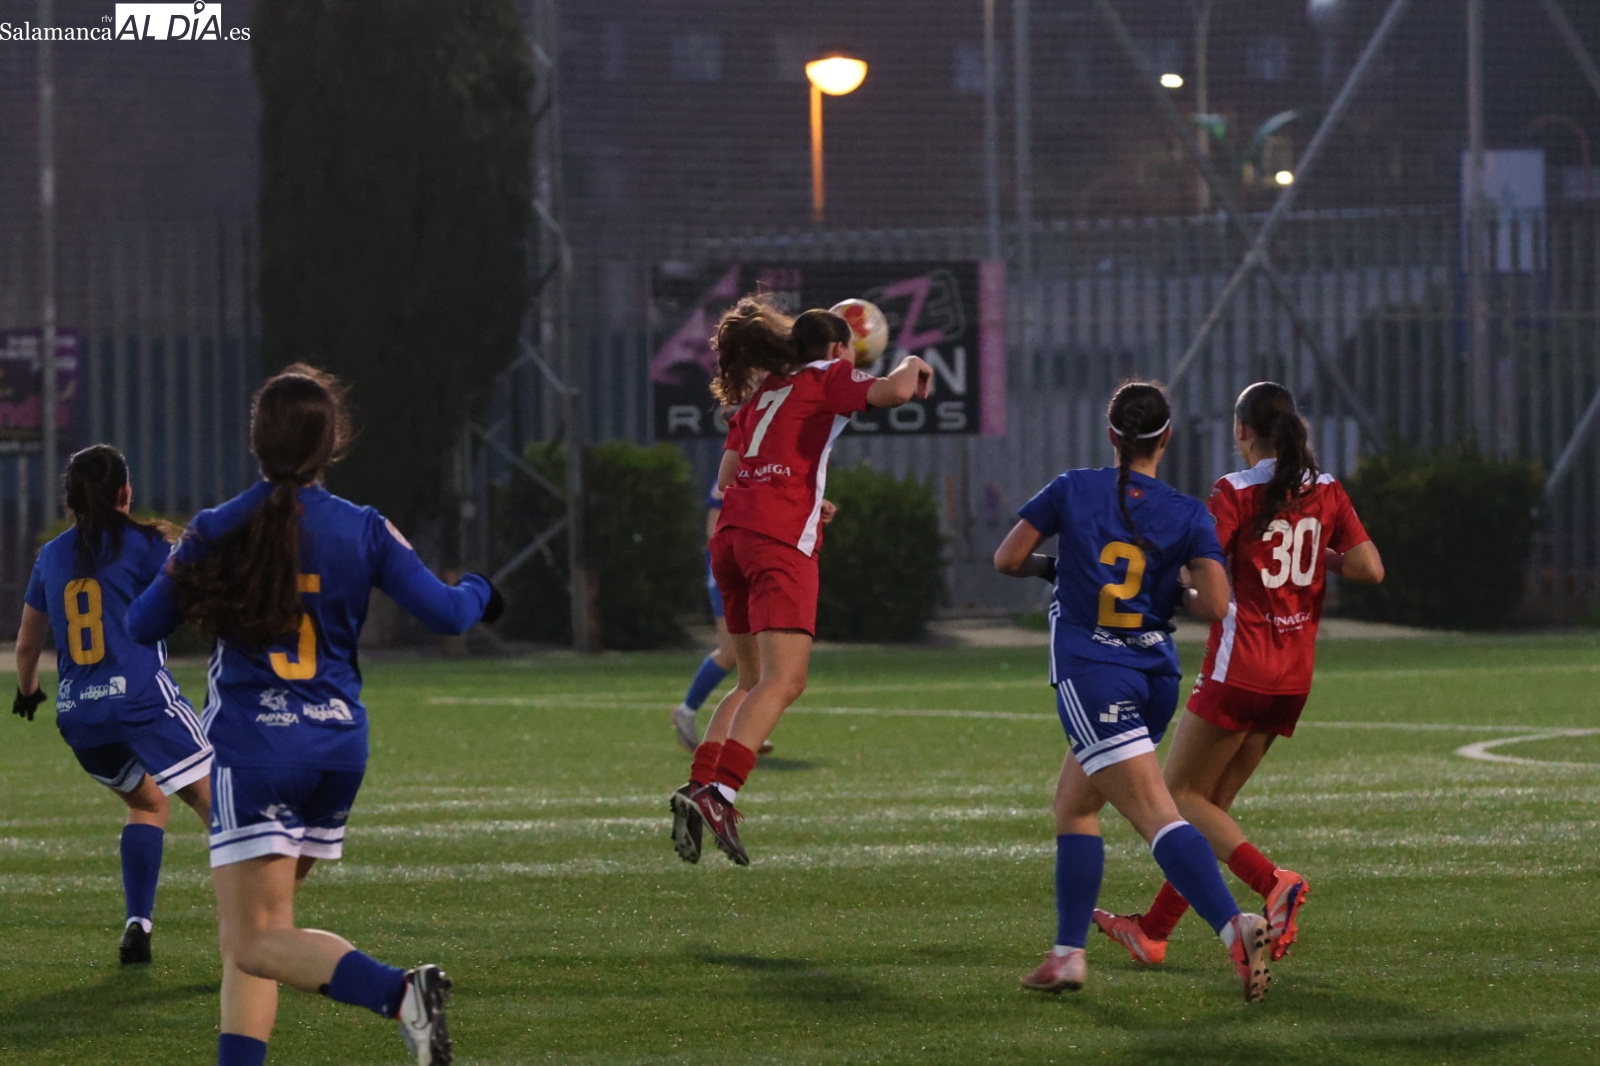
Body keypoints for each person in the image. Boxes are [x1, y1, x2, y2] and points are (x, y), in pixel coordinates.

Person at [126, 365, 502, 1066]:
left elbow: (143, 620)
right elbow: (449, 613)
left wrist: (189, 563)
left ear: (256, 440)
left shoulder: (218, 527)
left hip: (256, 750)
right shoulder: (362, 527)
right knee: (263, 932)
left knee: (252, 940)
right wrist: (482, 588)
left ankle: (400, 994)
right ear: (334, 441)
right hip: (335, 750)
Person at [993, 381, 1274, 1003]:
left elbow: (1008, 559)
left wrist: (1058, 569)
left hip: (1095, 673)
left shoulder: (1073, 487)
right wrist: (1172, 592)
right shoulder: (1186, 511)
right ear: (1166, 438)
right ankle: (1067, 955)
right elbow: (1218, 605)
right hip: (1154, 677)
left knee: (1155, 815)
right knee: (1075, 804)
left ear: (1112, 434)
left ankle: (1235, 924)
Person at [1093, 381, 1384, 967]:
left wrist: (1170, 584)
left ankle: (1273, 881)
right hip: (1293, 675)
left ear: (1242, 431)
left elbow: (1199, 569)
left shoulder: (1235, 491)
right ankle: (1152, 931)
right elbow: (1369, 568)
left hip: (1240, 666)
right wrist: (1316, 551)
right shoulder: (1325, 489)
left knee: (1178, 798)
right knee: (1213, 804)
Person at [670, 296, 931, 867]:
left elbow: (731, 474)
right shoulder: (825, 377)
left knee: (749, 679)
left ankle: (699, 785)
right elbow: (894, 391)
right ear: (839, 350)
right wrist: (914, 366)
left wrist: (809, 495)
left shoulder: (764, 392)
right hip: (777, 543)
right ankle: (722, 795)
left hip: (733, 538)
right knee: (785, 682)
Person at [12, 444, 212, 966]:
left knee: (148, 803)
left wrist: (28, 690)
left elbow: (28, 644)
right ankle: (258, 929)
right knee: (225, 808)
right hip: (142, 701)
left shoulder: (52, 554)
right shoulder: (147, 544)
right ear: (126, 492)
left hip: (80, 715)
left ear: (72, 497)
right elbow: (197, 604)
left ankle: (137, 925)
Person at [668, 480, 775, 758]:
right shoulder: (732, 476)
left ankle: (745, 732)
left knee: (757, 655)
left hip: (752, 571)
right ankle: (686, 712)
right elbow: (713, 533)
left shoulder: (765, 472)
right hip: (729, 572)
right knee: (730, 652)